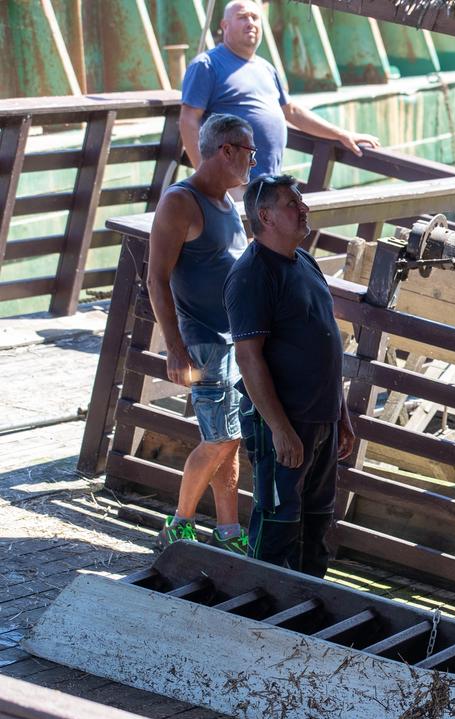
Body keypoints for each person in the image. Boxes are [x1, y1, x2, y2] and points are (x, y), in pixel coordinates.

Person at [225, 174, 355, 576]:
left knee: (316, 522)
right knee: (279, 521)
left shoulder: (305, 262)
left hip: (322, 417)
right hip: (284, 419)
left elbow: (324, 343)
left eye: (301, 201)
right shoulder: (251, 275)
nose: (304, 209)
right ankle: (258, 606)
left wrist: (341, 416)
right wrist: (279, 429)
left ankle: (308, 610)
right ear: (265, 216)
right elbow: (249, 359)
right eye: (291, 204)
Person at [147, 114, 255, 553]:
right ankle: (179, 523)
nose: (253, 159)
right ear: (226, 151)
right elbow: (156, 278)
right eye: (248, 151)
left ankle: (228, 531)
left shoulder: (228, 203)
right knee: (220, 437)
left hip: (236, 342)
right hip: (204, 342)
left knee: (230, 440)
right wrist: (175, 348)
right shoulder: (181, 201)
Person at [180, 0, 380, 183]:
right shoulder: (207, 65)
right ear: (225, 26)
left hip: (267, 184)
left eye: (255, 17)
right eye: (242, 17)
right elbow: (188, 120)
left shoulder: (266, 68)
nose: (250, 23)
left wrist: (341, 134)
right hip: (231, 184)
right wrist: (205, 178)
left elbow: (291, 112)